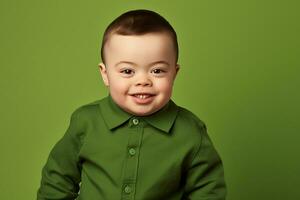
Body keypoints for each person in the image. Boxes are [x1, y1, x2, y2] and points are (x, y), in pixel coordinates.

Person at [37, 9, 227, 200]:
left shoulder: (190, 131)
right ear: (105, 74)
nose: (143, 81)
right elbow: (57, 181)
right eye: (128, 71)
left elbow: (208, 191)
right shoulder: (86, 122)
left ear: (174, 73)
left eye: (157, 70)